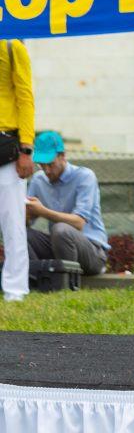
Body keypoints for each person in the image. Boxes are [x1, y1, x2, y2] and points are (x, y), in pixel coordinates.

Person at [24, 131, 109, 276]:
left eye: (50, 164)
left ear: (62, 156)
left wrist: (42, 211)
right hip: (59, 248)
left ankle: (65, 283)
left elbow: (78, 223)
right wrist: (24, 213)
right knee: (20, 233)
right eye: (42, 165)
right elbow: (27, 221)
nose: (47, 170)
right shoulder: (38, 180)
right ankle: (35, 279)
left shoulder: (84, 176)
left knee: (61, 229)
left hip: (92, 252)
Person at [0, 39, 34, 303]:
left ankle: (15, 290)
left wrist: (27, 148)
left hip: (7, 147)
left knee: (13, 222)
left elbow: (25, 96)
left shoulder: (13, 46)